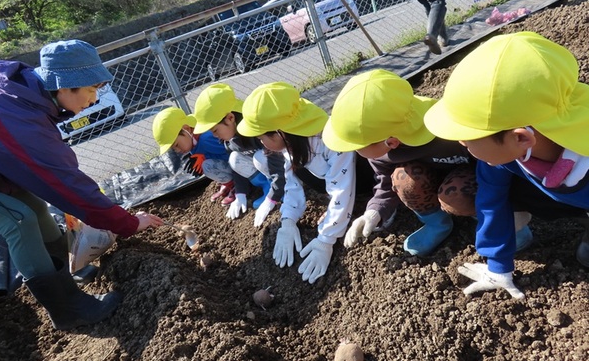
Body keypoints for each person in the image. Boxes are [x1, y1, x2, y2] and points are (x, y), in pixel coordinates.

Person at [0, 39, 163, 330]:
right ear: (63, 86)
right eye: (91, 90)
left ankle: (65, 272)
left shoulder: (21, 90)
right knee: (18, 220)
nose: (94, 100)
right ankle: (69, 310)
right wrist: (129, 223)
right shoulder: (23, 123)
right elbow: (70, 188)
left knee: (35, 207)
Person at [423, 31, 589, 299]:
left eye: (467, 137)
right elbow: (491, 201)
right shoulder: (502, 158)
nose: (461, 143)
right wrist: (498, 266)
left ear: (520, 138)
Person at [322, 69, 478, 256]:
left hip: (471, 177)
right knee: (402, 179)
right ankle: (438, 223)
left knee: (455, 194)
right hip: (431, 178)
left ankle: (484, 217)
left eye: (357, 146)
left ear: (391, 142)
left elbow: (491, 163)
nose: (354, 150)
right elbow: (385, 182)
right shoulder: (380, 149)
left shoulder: (446, 130)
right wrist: (374, 212)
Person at [237, 82, 357, 284]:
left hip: (361, 182)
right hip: (338, 183)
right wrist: (288, 220)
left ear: (279, 133)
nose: (261, 143)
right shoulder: (292, 144)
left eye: (262, 138)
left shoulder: (331, 141)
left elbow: (341, 191)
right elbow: (291, 185)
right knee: (298, 169)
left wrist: (325, 239)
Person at [192, 83, 286, 227]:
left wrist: (272, 198)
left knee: (259, 157)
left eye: (215, 130)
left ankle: (283, 190)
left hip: (288, 168)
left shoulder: (255, 130)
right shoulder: (229, 140)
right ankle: (267, 186)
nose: (215, 136)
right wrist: (240, 194)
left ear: (230, 118)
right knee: (234, 159)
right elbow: (237, 169)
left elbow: (277, 161)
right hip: (271, 172)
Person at [152, 106, 234, 201]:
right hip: (231, 166)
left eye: (177, 145)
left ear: (186, 129)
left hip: (238, 166)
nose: (177, 150)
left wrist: (205, 157)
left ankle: (235, 184)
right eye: (173, 149)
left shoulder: (205, 139)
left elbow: (231, 153)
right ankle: (228, 183)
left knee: (207, 166)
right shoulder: (192, 142)